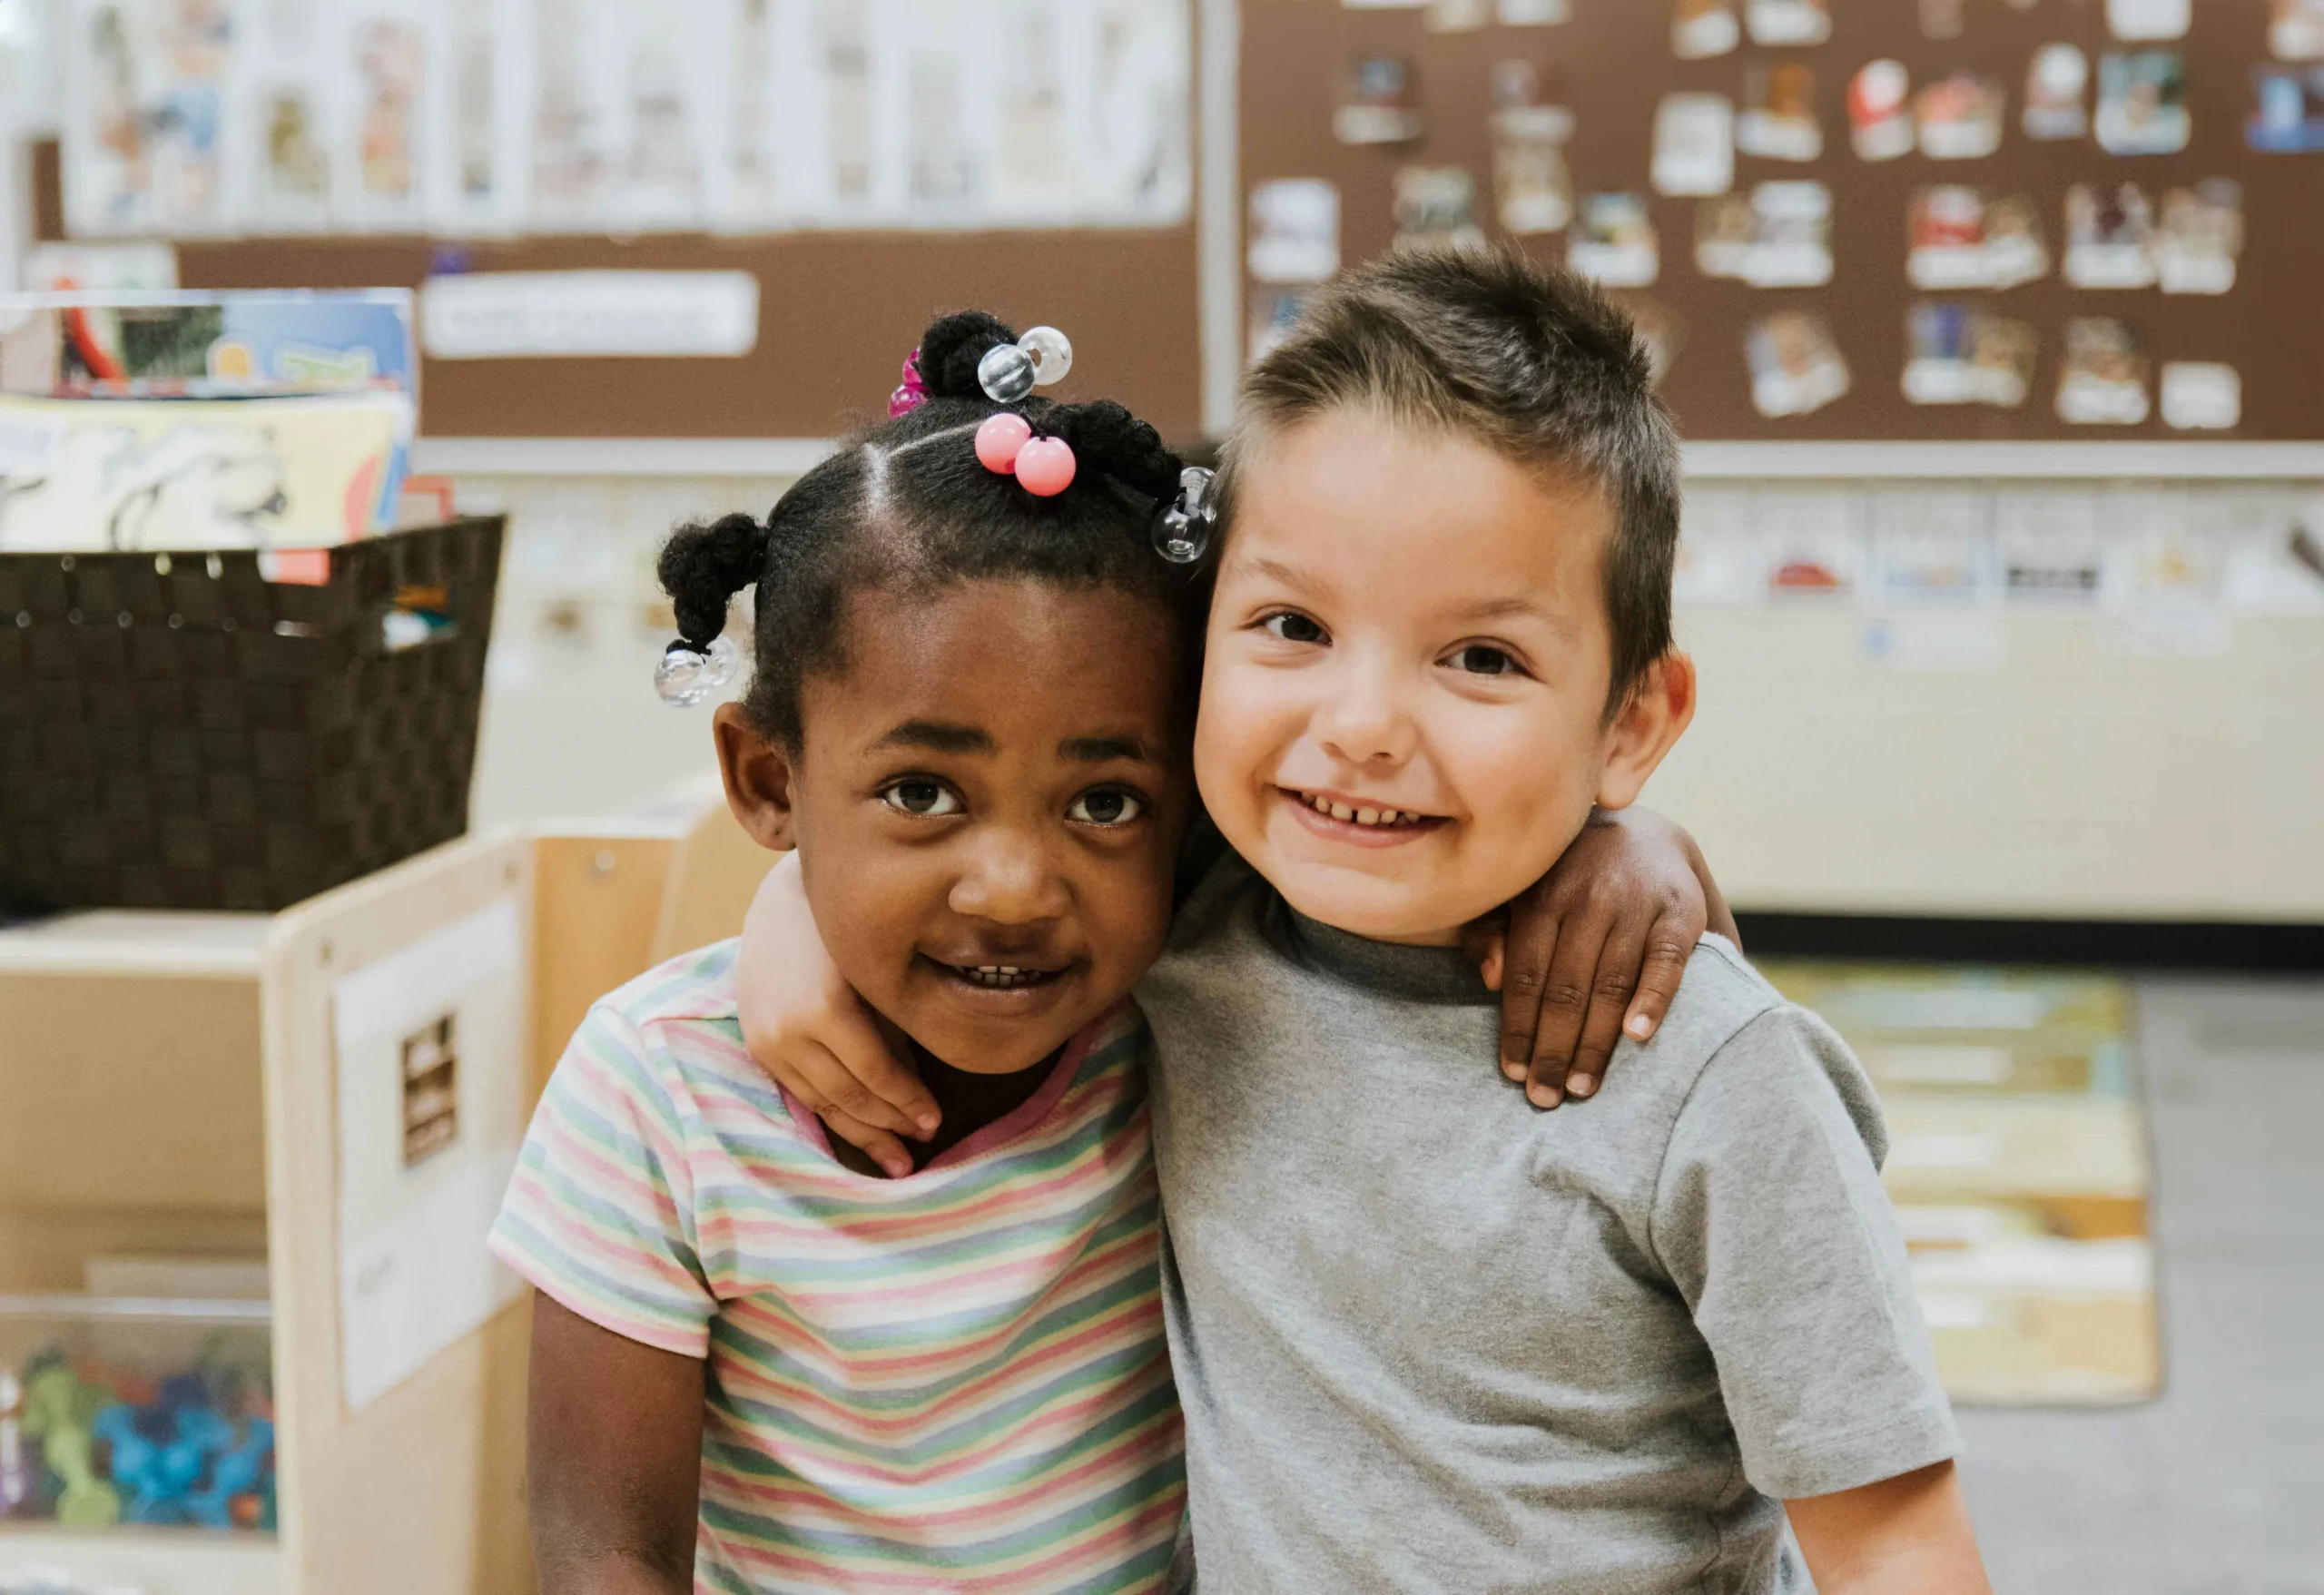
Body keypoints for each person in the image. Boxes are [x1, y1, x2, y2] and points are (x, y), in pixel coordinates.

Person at [738, 253, 1989, 1593]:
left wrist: (1638, 844)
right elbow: (974, 857)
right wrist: (782, 914)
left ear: (1631, 722)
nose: (1362, 728)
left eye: (1481, 658)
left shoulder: (1712, 1079)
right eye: (1292, 625)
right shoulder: (1193, 923)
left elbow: (1896, 1541)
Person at [490, 308, 1728, 1595]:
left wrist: (1628, 841)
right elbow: (604, 1552)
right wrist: (795, 904)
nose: (1017, 887)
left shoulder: (1194, 1003)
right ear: (765, 777)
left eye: (1105, 804)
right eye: (922, 792)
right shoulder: (656, 1093)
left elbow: (1553, 908)